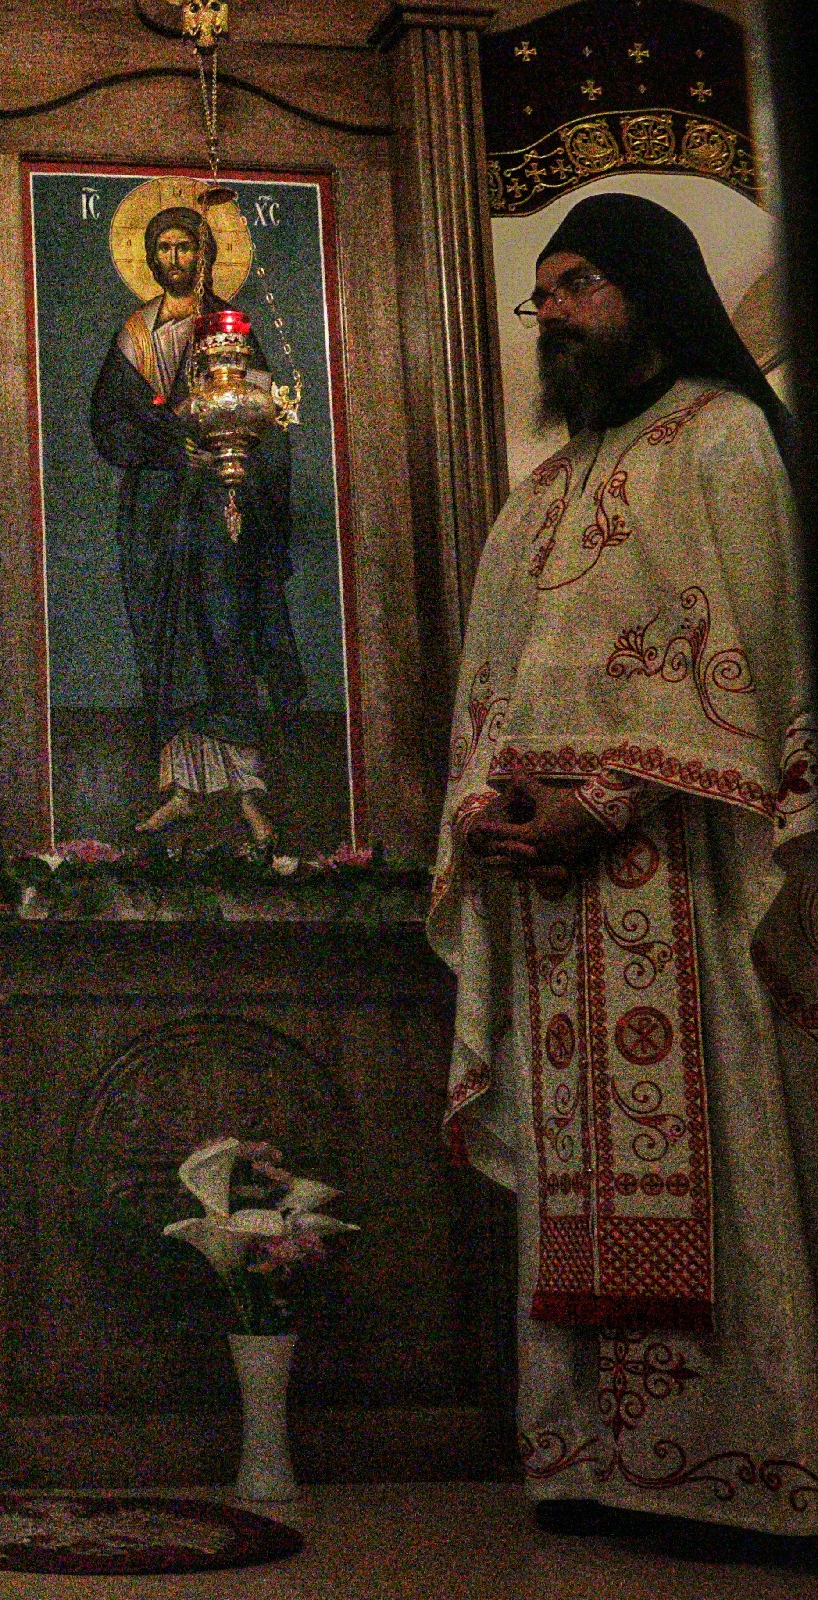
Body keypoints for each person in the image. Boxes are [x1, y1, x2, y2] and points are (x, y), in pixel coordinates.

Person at [431, 191, 817, 1545]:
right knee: (573, 1173)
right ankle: (593, 1463)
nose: (552, 313)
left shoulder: (724, 442)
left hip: (686, 880)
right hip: (555, 907)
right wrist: (490, 810)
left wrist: (604, 800)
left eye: (578, 284)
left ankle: (744, 1465)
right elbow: (493, 689)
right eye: (540, 294)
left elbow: (755, 663)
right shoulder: (539, 496)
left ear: (653, 290)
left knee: (724, 1150)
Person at [89, 202, 301, 846]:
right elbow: (110, 420)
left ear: (204, 253)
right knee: (169, 640)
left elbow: (263, 410)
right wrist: (165, 445)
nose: (175, 259)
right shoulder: (136, 334)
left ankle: (249, 794)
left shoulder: (229, 328)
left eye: (186, 247)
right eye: (165, 248)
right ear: (149, 257)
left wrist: (227, 450)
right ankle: (179, 790)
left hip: (219, 505)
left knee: (224, 632)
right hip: (158, 512)